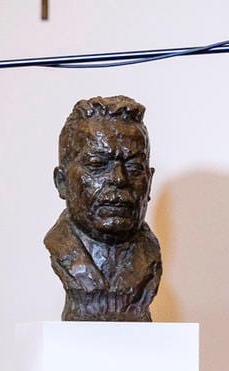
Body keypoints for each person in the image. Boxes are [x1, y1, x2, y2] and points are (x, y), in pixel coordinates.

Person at [44, 95, 162, 322]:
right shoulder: (62, 248)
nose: (119, 179)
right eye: (97, 165)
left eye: (134, 167)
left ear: (149, 181)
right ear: (62, 182)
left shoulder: (150, 257)